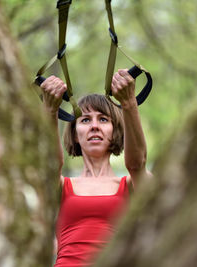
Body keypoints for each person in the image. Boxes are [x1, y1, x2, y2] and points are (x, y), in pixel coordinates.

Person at [40, 69, 150, 267]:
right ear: (75, 134)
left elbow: (137, 163)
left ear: (115, 130)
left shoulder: (132, 184)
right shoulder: (61, 186)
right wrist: (49, 110)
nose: (94, 126)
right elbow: (48, 164)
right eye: (85, 120)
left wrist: (129, 103)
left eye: (103, 119)